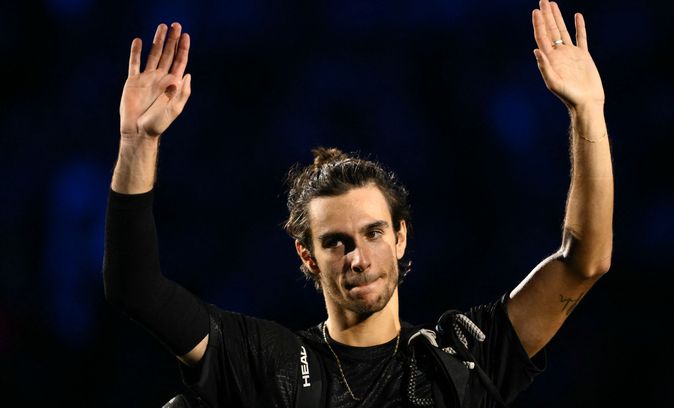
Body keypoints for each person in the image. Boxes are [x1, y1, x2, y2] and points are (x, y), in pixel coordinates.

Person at [103, 0, 613, 406]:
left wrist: (588, 111)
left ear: (400, 236)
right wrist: (137, 144)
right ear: (307, 257)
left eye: (373, 232)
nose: (358, 258)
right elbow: (135, 288)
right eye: (335, 242)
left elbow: (584, 262)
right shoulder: (270, 363)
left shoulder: (463, 359)